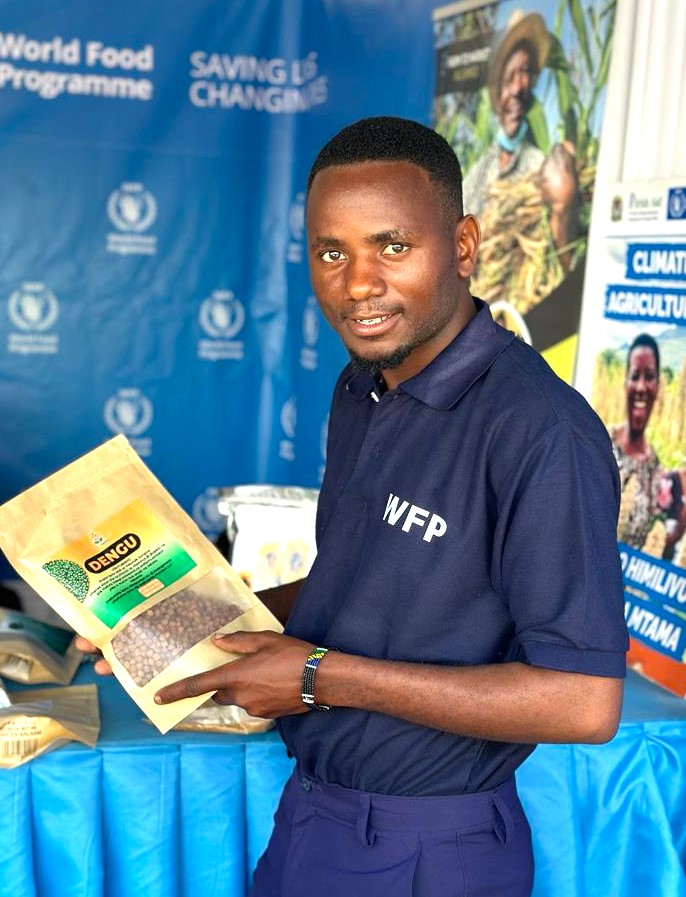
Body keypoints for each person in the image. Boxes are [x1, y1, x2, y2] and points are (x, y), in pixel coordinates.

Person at [78, 116, 628, 897]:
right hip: (312, 814)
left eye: (392, 247)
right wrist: (186, 626)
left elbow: (583, 700)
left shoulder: (541, 431)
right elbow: (361, 580)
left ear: (464, 247)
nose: (358, 283)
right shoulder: (361, 387)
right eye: (332, 252)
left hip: (431, 846)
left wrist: (313, 677)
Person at [462, 10, 579, 271]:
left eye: (524, 73)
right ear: (496, 92)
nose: (517, 88)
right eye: (509, 77)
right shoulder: (477, 174)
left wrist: (563, 208)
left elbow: (559, 261)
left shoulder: (542, 168)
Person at [609, 333, 685, 559]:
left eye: (649, 376)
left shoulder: (659, 477)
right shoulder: (598, 439)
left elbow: (659, 553)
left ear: (658, 387)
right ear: (625, 382)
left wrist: (674, 535)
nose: (641, 386)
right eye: (635, 376)